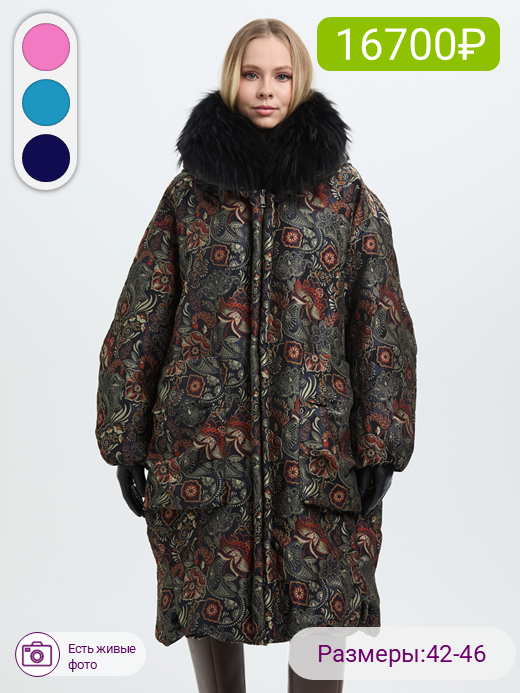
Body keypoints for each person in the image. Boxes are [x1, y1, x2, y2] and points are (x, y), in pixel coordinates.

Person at [95, 17, 417, 693]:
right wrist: (125, 436)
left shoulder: (346, 198)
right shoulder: (190, 198)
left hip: (318, 452)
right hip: (204, 451)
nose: (265, 90)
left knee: (325, 611)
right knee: (206, 605)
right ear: (231, 81)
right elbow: (142, 315)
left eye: (280, 75)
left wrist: (382, 442)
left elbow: (379, 321)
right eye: (251, 74)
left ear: (300, 83)